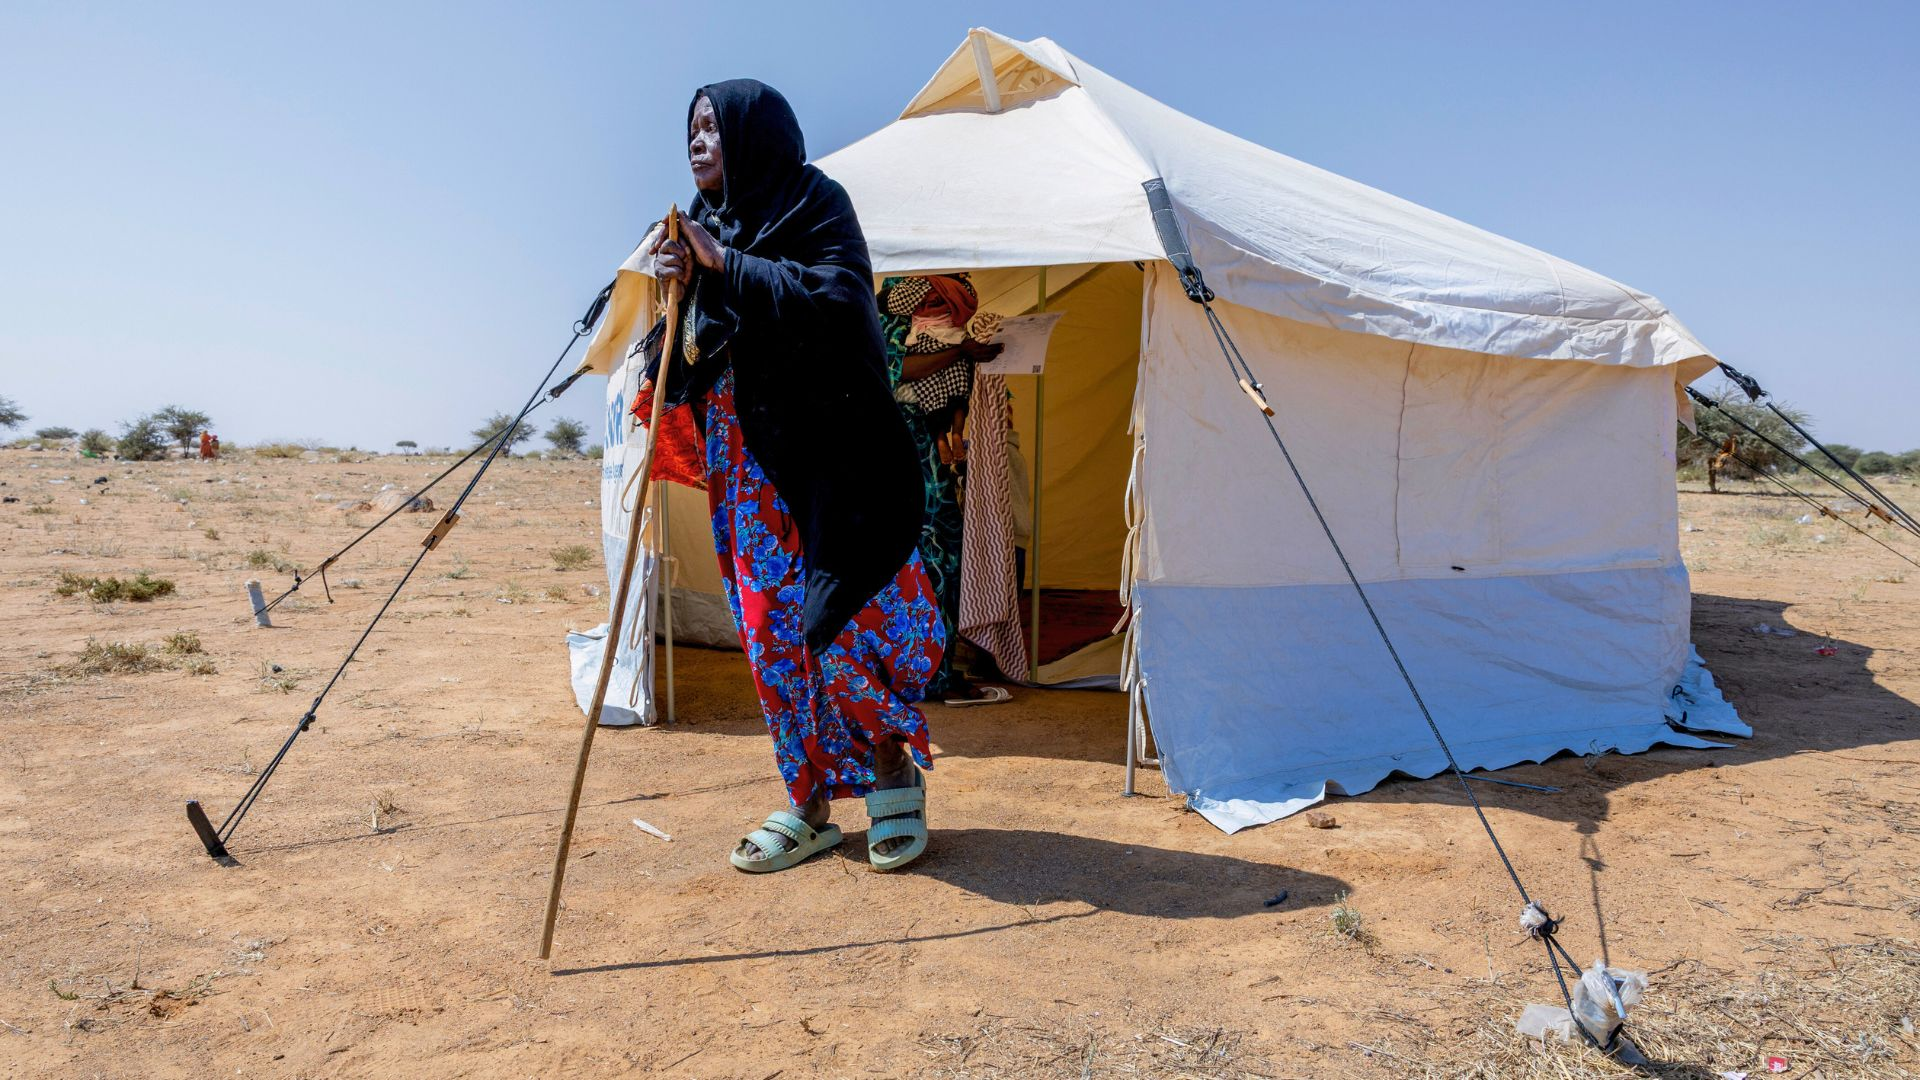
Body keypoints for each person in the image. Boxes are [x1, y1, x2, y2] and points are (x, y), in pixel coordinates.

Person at [636, 80, 942, 873]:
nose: (698, 141)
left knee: (845, 621)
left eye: (714, 128)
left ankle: (889, 772)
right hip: (747, 466)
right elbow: (684, 361)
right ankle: (808, 801)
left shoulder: (814, 202)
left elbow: (842, 303)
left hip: (834, 459)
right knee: (772, 631)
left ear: (755, 134)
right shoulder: (701, 229)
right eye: (691, 127)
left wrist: (727, 263)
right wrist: (678, 289)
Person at [876, 274, 1002, 697]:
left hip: (932, 462)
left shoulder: (944, 332)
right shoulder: (886, 324)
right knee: (916, 561)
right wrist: (957, 352)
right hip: (900, 449)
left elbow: (955, 383)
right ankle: (920, 675)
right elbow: (895, 370)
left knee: (943, 559)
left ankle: (937, 670)